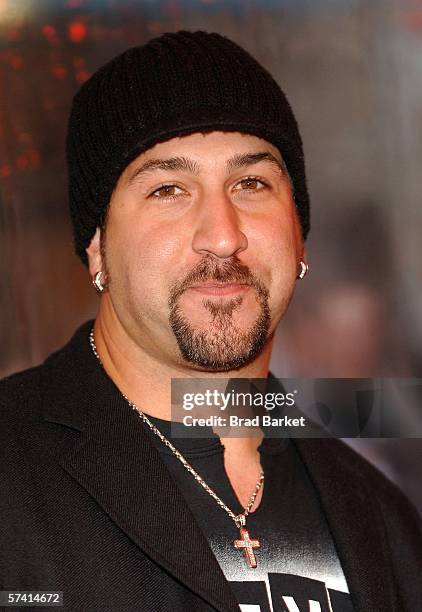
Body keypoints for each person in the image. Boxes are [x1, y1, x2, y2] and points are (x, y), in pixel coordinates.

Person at [0, 30, 421, 612]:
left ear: (300, 233)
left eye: (252, 184)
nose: (223, 234)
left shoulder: (382, 519)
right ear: (96, 247)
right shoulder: (13, 475)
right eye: (169, 189)